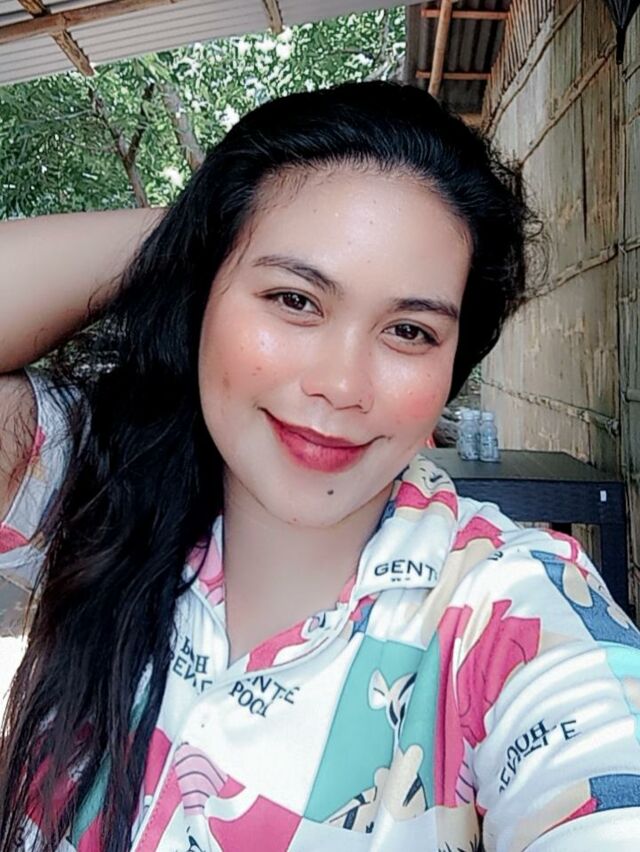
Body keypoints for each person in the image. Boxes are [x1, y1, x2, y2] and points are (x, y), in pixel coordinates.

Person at [0, 80, 639, 852]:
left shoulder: (511, 615)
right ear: (204, 297)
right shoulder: (98, 488)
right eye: (295, 299)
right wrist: (200, 223)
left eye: (408, 331)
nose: (340, 385)